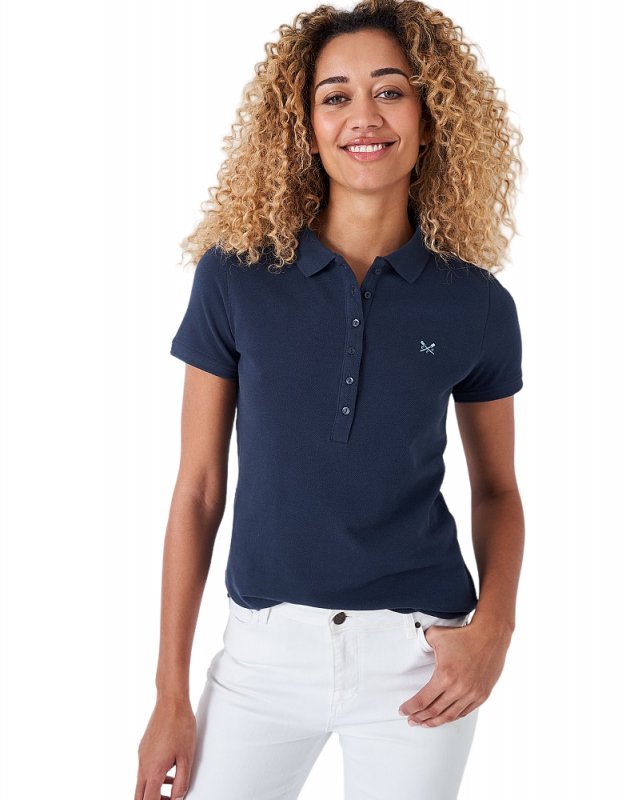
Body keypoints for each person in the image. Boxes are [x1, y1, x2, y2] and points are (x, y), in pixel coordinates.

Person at [135, 1, 525, 798]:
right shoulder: (235, 277)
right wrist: (170, 693)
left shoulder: (476, 304)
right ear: (304, 126)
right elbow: (198, 489)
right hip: (261, 658)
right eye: (335, 96)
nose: (364, 117)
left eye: (390, 91)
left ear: (429, 115)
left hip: (419, 662)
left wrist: (494, 629)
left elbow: (498, 491)